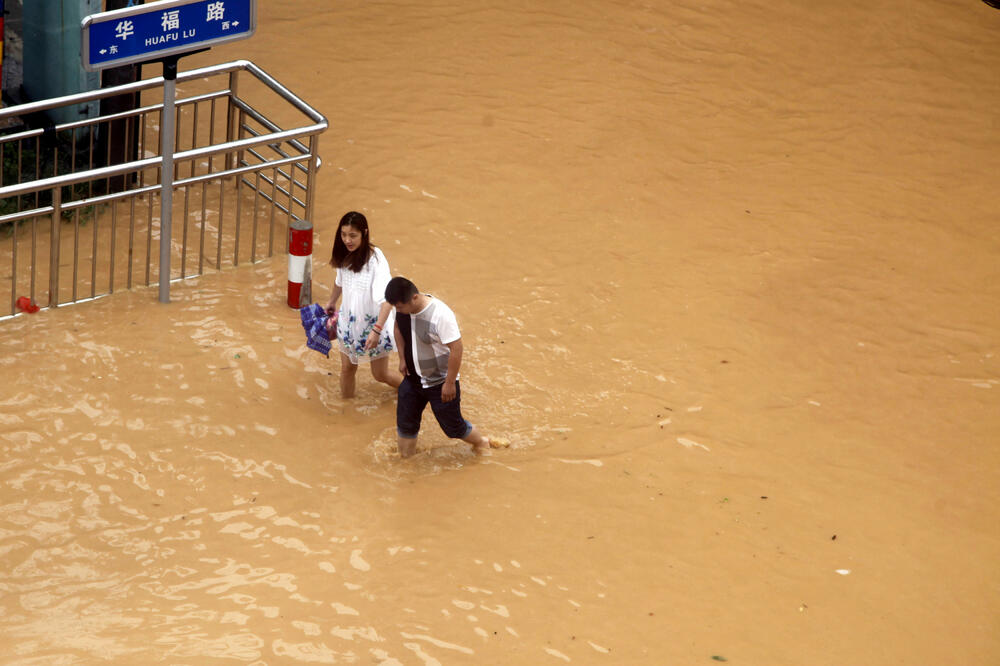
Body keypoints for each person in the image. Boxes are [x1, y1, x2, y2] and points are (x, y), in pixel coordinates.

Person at [384, 276, 492, 458]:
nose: (398, 311)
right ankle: (406, 464)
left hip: (439, 382)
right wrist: (402, 358)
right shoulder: (402, 310)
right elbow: (397, 328)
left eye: (400, 307)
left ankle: (482, 441)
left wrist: (449, 383)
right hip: (412, 379)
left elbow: (456, 348)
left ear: (415, 298)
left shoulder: (440, 314)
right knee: (405, 424)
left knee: (453, 428)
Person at [324, 211, 402, 398]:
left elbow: (387, 299)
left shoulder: (375, 259)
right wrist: (332, 301)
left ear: (364, 233)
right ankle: (346, 410)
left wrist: (376, 330)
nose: (347, 240)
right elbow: (339, 280)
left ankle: (412, 392)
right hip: (348, 322)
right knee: (347, 369)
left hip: (373, 324)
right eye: (343, 235)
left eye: (353, 235)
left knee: (380, 374)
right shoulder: (343, 253)